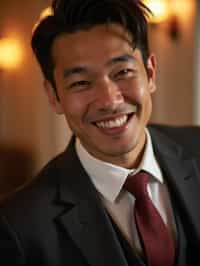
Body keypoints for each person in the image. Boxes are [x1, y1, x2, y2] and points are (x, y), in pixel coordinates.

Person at [0, 0, 199, 265]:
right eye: (81, 82)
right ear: (54, 96)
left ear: (150, 73)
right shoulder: (18, 225)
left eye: (123, 71)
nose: (109, 100)